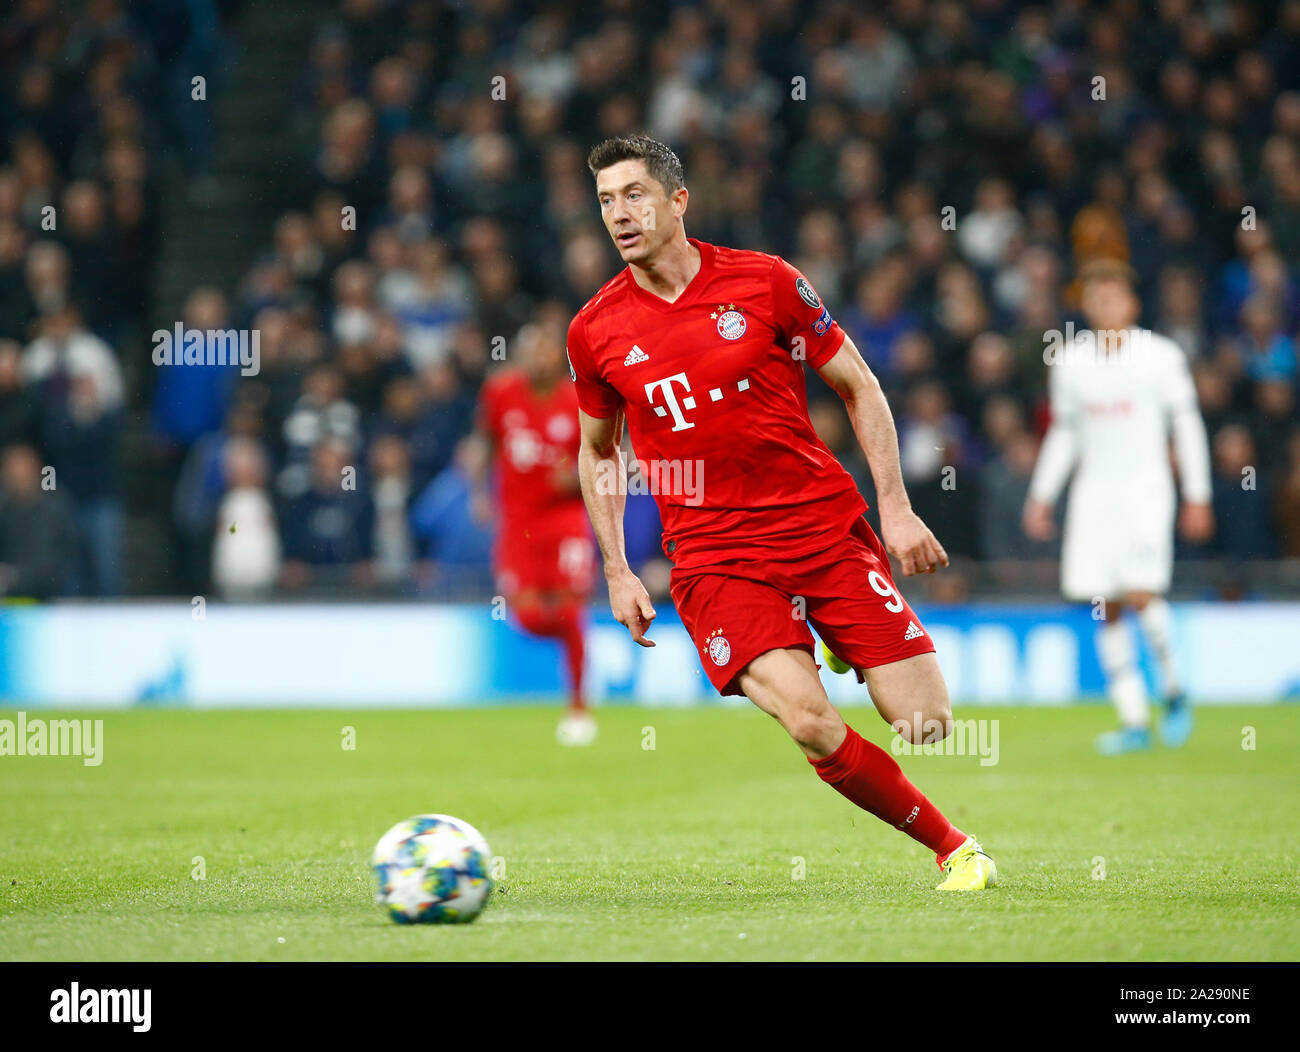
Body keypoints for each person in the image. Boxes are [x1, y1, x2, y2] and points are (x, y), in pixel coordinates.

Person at [568, 134, 994, 891]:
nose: (619, 214)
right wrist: (616, 569)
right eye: (606, 201)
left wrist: (894, 510)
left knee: (927, 724)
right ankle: (955, 847)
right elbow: (599, 451)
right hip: (715, 555)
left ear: (677, 200)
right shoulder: (596, 331)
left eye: (634, 194)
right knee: (810, 721)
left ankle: (831, 631)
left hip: (820, 526)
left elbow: (858, 384)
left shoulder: (765, 283)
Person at [1023, 259, 1214, 755]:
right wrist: (1042, 494)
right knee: (1103, 605)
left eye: (1113, 295)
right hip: (1093, 495)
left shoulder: (1161, 356)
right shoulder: (1070, 360)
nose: (1105, 304)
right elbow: (1065, 434)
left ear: (1132, 303)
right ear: (1085, 304)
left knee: (1141, 592)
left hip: (1146, 491)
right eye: (1096, 296)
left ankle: (1174, 690)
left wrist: (1198, 494)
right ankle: (1132, 719)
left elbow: (1187, 426)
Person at [473, 319, 596, 746]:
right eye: (531, 349)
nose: (537, 358)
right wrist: (479, 492)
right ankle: (569, 639)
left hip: (565, 522)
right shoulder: (500, 392)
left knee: (571, 609)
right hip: (518, 524)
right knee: (523, 616)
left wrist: (579, 478)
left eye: (546, 350)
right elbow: (484, 441)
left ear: (558, 357)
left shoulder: (577, 399)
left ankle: (579, 708)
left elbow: (610, 455)